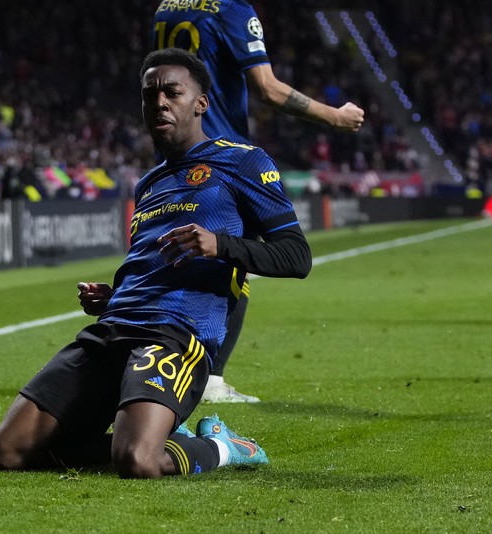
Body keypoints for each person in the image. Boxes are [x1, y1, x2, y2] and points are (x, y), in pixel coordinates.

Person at [0, 48, 311, 479]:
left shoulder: (242, 161)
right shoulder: (149, 183)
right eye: (149, 94)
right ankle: (148, 438)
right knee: (6, 452)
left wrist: (222, 246)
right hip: (112, 329)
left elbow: (296, 255)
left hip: (175, 334)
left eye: (172, 92)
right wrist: (113, 295)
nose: (159, 101)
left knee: (137, 460)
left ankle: (222, 447)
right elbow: (151, 264)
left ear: (200, 103)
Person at [153, 0, 365, 403]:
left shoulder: (166, 8)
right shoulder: (232, 9)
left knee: (184, 258)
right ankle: (208, 378)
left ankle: (159, 365)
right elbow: (267, 88)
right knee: (235, 262)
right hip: (222, 155)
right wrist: (335, 118)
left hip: (174, 155)